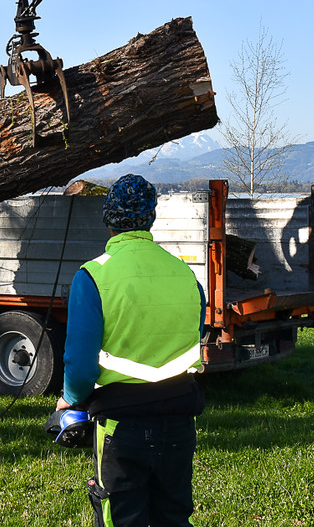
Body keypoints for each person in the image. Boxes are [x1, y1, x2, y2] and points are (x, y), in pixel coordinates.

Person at [56, 174, 206, 527]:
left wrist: (70, 399)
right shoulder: (183, 272)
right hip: (179, 420)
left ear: (109, 220)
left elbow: (79, 364)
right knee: (173, 517)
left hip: (121, 426)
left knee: (121, 518)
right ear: (151, 218)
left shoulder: (93, 275)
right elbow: (194, 333)